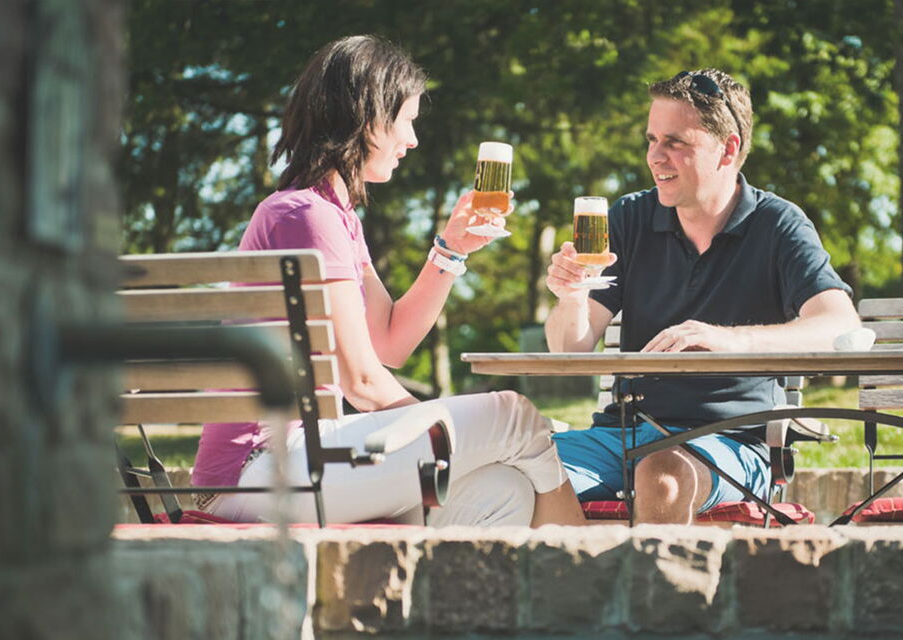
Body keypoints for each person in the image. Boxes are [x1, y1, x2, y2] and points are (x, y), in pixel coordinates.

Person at [190, 35, 585, 527]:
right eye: (407, 120)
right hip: (260, 468)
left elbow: (390, 344)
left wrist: (451, 251)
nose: (413, 140)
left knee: (503, 492)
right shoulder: (305, 215)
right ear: (368, 118)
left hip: (303, 463)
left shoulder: (334, 217)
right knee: (515, 417)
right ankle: (594, 568)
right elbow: (361, 381)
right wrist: (442, 430)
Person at [544, 68, 860, 524]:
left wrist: (729, 339)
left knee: (664, 474)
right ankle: (589, 572)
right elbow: (568, 349)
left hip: (733, 440)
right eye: (652, 140)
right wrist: (571, 297)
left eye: (675, 142)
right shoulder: (629, 218)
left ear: (728, 149)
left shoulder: (778, 224)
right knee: (521, 468)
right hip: (623, 433)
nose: (655, 157)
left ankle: (648, 575)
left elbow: (840, 325)